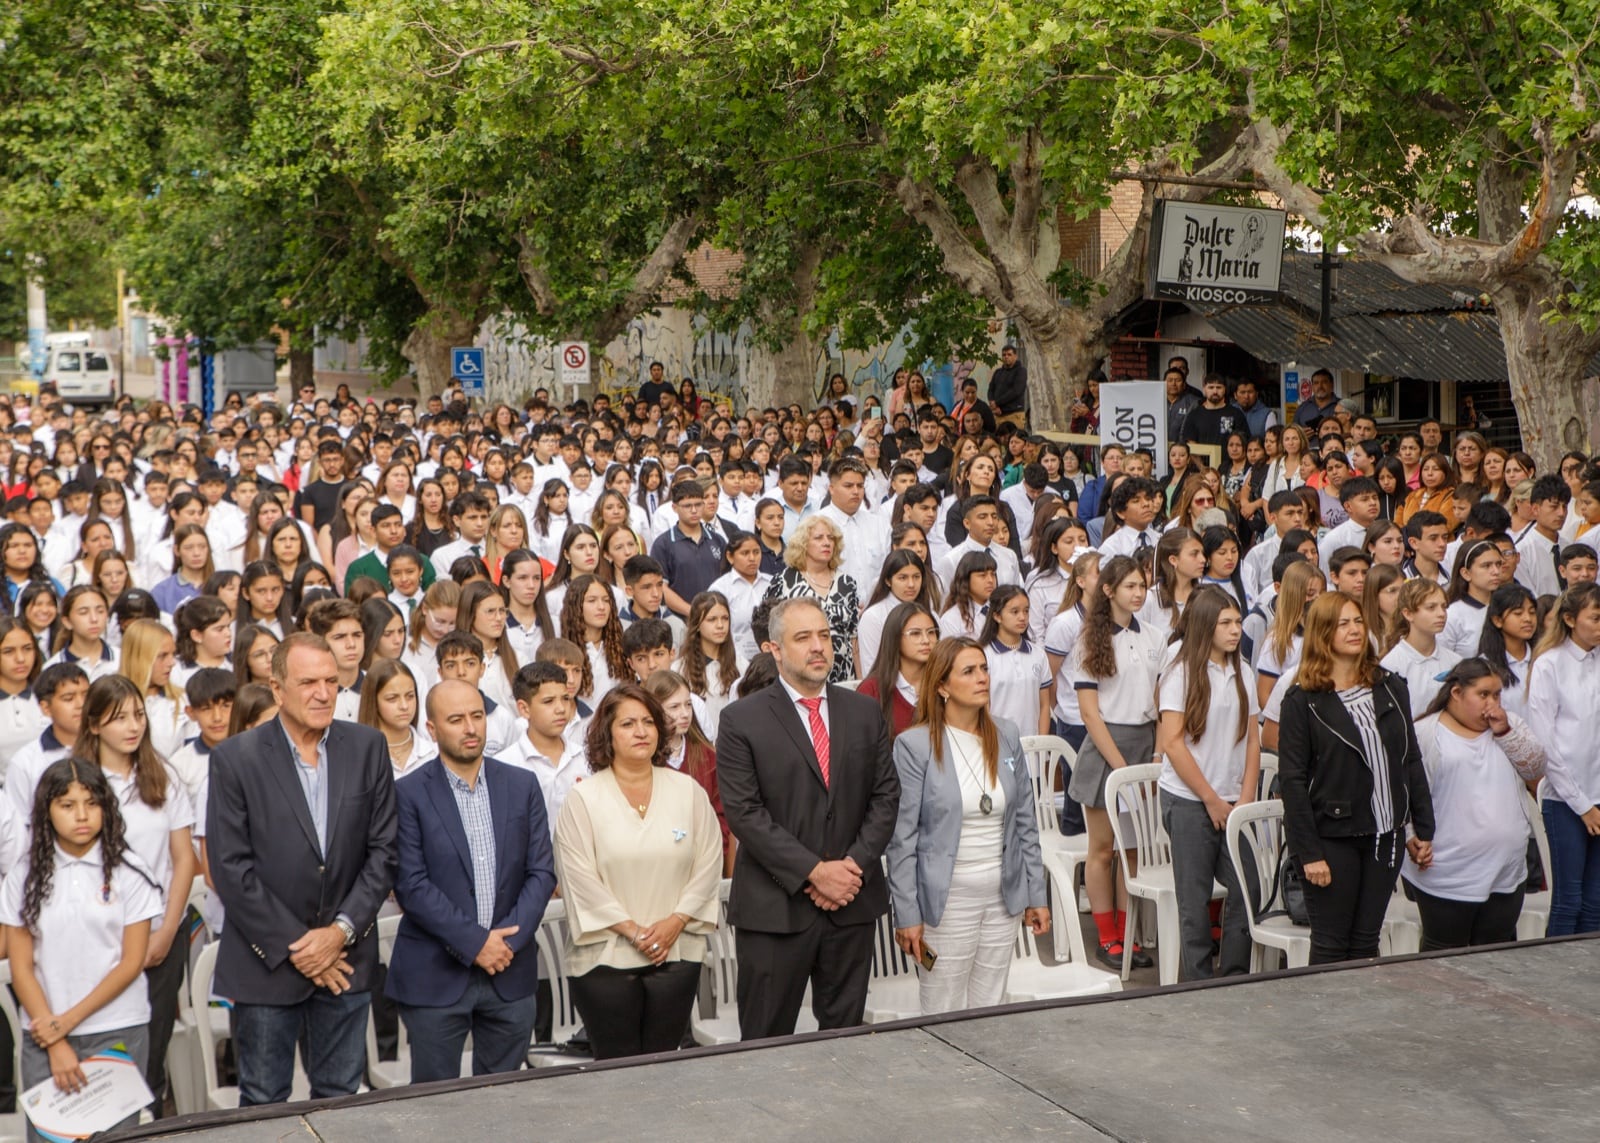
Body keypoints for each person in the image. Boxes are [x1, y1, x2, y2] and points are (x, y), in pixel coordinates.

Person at [204, 632, 399, 1105]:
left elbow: (384, 852)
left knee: (339, 1099)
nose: (323, 692)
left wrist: (338, 934)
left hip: (345, 961)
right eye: (308, 681)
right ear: (277, 689)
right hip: (266, 964)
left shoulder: (367, 746)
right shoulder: (235, 759)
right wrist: (301, 948)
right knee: (264, 1104)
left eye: (331, 681)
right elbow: (231, 868)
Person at [716, 597, 900, 1039]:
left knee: (845, 1042)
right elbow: (745, 813)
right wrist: (815, 873)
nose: (818, 647)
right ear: (773, 649)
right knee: (765, 1043)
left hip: (851, 904)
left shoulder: (862, 710)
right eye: (803, 638)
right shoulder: (741, 720)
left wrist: (851, 868)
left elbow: (885, 795)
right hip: (775, 911)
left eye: (824, 635)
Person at [386, 680, 556, 1082]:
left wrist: (505, 944)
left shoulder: (521, 784)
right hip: (435, 977)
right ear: (431, 728)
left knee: (502, 1104)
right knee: (437, 1106)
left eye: (477, 716)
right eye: (456, 719)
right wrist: (477, 943)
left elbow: (541, 872)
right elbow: (411, 884)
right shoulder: (406, 793)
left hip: (509, 974)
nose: (470, 728)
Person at [552, 684, 722, 1059]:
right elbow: (578, 878)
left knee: (665, 1068)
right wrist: (635, 932)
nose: (641, 731)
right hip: (605, 959)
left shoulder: (688, 791)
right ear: (607, 734)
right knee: (618, 1074)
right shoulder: (583, 799)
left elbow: (709, 862)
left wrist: (674, 923)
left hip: (676, 954)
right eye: (628, 723)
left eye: (648, 721)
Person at [886, 637, 1048, 1013]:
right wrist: (907, 915)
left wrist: (1035, 894)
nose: (982, 679)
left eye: (985, 669)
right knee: (943, 1009)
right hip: (947, 900)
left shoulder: (1005, 734)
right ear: (942, 686)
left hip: (1002, 897)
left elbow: (1025, 821)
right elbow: (902, 839)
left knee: (991, 1005)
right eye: (969, 671)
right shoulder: (915, 745)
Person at [3, 759, 161, 1138]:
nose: (82, 816)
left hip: (117, 1029)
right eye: (67, 805)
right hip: (43, 1032)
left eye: (92, 803)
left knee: (115, 1137)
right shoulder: (23, 876)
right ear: (46, 810)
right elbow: (21, 966)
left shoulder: (130, 871)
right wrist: (55, 1038)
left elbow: (131, 962)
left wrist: (67, 1022)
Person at [1277, 592, 1435, 963]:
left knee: (1366, 942)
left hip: (1386, 834)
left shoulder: (1390, 686)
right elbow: (1293, 782)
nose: (1353, 630)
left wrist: (1418, 828)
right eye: (1342, 624)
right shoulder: (1302, 699)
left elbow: (1409, 758)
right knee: (1332, 944)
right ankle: (1326, 1020)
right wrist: (1309, 853)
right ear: (1321, 633)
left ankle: (1360, 1019)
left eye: (1357, 622)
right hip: (1332, 838)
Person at [71, 674, 196, 1114]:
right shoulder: (77, 785)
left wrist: (165, 933)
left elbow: (183, 859)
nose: (132, 726)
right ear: (94, 724)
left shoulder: (163, 776)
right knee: (104, 1059)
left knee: (152, 1055)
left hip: (161, 938)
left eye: (138, 715)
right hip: (99, 944)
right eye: (119, 717)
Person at [1156, 587, 1260, 980]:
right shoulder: (1181, 671)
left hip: (1234, 799)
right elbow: (1172, 743)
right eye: (1226, 624)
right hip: (1189, 800)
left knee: (1247, 888)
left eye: (1237, 622)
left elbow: (1252, 738)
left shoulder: (1242, 670)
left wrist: (1245, 798)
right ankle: (1198, 983)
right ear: (1205, 626)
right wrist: (1211, 799)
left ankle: (1233, 976)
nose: (1236, 631)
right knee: (1193, 899)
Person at [1405, 660, 1545, 950]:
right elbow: (1405, 794)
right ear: (1456, 693)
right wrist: (1411, 836)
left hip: (1506, 872)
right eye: (1483, 695)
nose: (1492, 703)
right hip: (1448, 873)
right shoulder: (1427, 733)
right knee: (1445, 959)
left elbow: (1535, 769)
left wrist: (1505, 731)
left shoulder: (1510, 724)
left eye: (1496, 695)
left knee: (1496, 955)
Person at [1066, 554, 1162, 968]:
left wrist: (1156, 753)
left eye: (1142, 586)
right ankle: (1107, 937)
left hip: (1146, 744)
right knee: (1103, 850)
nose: (1138, 593)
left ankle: (1128, 934)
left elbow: (1160, 704)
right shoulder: (1091, 638)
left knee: (1134, 850)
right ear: (1108, 590)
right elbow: (1090, 713)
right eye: (1129, 586)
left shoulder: (1156, 636)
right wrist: (1121, 765)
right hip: (1107, 748)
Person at [1524, 583, 1600, 936]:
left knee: (1596, 900)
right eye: (1595, 619)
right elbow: (1546, 745)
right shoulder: (1550, 664)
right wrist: (1582, 804)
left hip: (1598, 793)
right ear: (1570, 619)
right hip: (1566, 799)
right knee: (1569, 898)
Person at [763, 515, 861, 683]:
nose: (827, 542)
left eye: (831, 538)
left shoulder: (847, 583)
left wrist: (860, 680)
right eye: (818, 538)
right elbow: (768, 629)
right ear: (803, 544)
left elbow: (853, 637)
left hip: (843, 674)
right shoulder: (784, 581)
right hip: (798, 672)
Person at [987, 346, 1028, 429]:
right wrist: (993, 404)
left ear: (1015, 356)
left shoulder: (1021, 371)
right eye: (1004, 355)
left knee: (1015, 440)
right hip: (998, 415)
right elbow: (991, 389)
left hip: (1014, 414)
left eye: (1009, 354)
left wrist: (997, 403)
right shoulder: (998, 372)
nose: (1006, 357)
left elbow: (1016, 391)